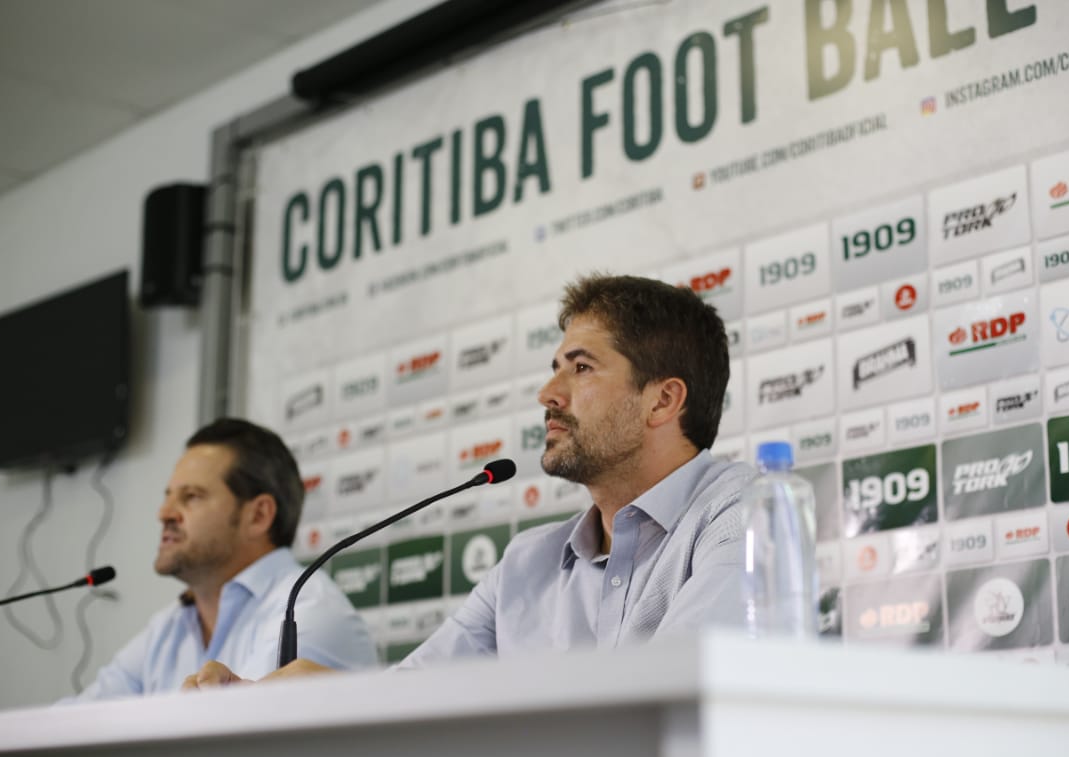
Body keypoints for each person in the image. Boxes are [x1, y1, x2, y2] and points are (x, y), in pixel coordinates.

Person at [185, 274, 753, 689]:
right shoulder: (526, 564)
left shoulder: (747, 512)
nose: (548, 395)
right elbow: (411, 702)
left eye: (581, 368)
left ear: (663, 400)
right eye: (555, 368)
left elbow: (679, 696)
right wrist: (279, 698)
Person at [66, 418, 377, 700]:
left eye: (191, 496)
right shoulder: (168, 627)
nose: (164, 513)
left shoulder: (307, 613)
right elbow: (79, 722)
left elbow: (239, 746)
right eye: (168, 496)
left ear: (258, 516)